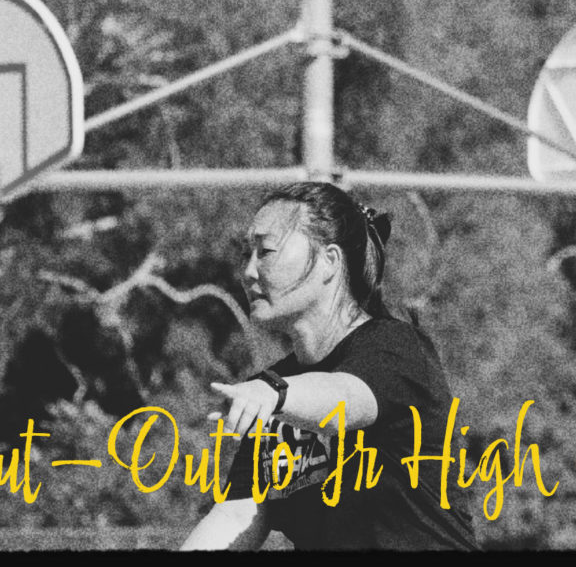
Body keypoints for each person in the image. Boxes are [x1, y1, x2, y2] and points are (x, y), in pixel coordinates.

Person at [181, 181, 477, 551]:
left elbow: (341, 401)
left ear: (330, 261)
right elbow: (238, 515)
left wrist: (273, 395)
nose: (249, 271)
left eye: (266, 251)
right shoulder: (274, 390)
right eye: (247, 254)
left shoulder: (396, 349)